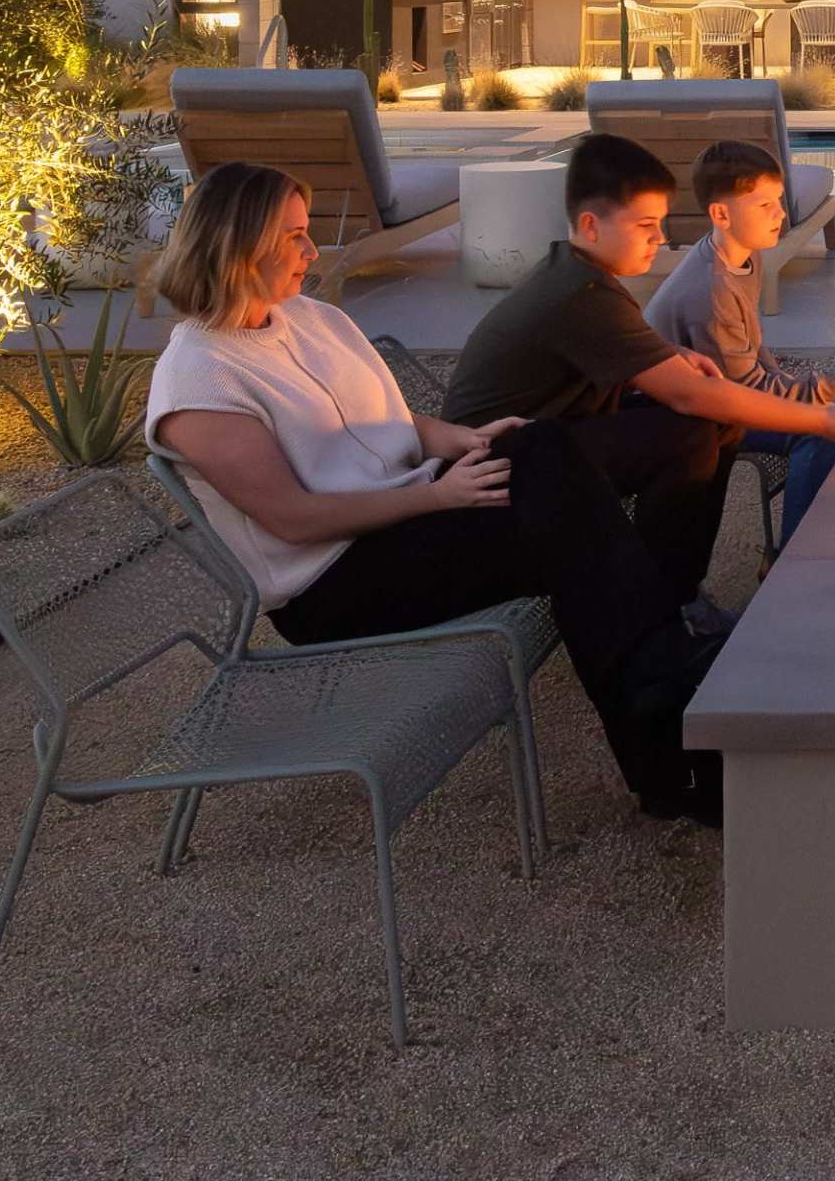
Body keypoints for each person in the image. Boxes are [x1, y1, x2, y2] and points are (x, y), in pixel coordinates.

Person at [141, 159, 724, 823]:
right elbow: (293, 518)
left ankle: (669, 721)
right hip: (336, 582)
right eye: (294, 236)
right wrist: (437, 497)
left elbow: (376, 421)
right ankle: (674, 727)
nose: (313, 250)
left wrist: (457, 440)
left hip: (406, 514)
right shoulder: (198, 380)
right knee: (563, 503)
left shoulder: (306, 317)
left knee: (577, 450)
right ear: (239, 245)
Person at [444, 130, 835, 599]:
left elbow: (630, 355)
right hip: (495, 471)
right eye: (645, 225)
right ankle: (667, 596)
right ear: (591, 225)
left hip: (542, 440)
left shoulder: (579, 276)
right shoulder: (584, 295)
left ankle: (675, 588)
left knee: (709, 428)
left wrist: (668, 352)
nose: (661, 237)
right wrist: (825, 416)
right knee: (698, 425)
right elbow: (692, 394)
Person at [644, 138, 835, 549]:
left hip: (726, 392)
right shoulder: (710, 291)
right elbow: (745, 394)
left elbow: (753, 352)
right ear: (721, 214)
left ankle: (832, 535)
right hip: (690, 418)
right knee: (823, 431)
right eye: (764, 205)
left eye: (779, 200)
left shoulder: (745, 254)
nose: (780, 213)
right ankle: (796, 558)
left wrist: (814, 389)